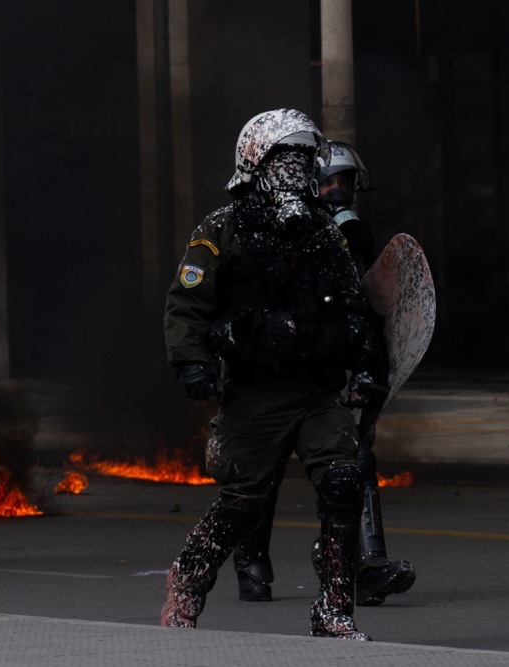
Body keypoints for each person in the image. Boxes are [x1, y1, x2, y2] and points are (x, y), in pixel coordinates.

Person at [160, 109, 375, 640]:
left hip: (316, 392)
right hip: (255, 393)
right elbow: (188, 304)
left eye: (304, 160)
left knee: (345, 484)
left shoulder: (325, 233)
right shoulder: (222, 229)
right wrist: (192, 364)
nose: (296, 171)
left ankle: (334, 609)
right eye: (285, 159)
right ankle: (187, 582)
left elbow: (356, 307)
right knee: (243, 504)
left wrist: (365, 365)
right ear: (256, 162)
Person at [230, 141, 416, 608]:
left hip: (323, 379)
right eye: (328, 182)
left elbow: (361, 313)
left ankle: (362, 567)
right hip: (275, 374)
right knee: (261, 472)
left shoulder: (348, 242)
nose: (337, 192)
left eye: (345, 183)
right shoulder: (270, 232)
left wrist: (363, 371)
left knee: (353, 466)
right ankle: (251, 564)